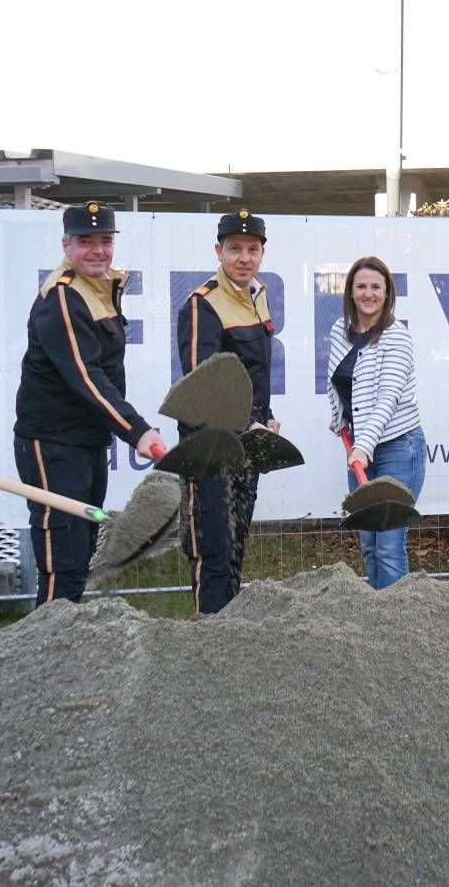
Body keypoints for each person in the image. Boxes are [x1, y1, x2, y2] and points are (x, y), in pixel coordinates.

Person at [14, 201, 166, 606]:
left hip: (86, 441)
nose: (97, 250)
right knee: (60, 560)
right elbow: (86, 378)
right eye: (86, 242)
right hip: (51, 444)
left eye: (104, 241)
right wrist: (137, 431)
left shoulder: (100, 288)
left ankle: (72, 653)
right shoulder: (62, 297)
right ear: (66, 245)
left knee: (80, 553)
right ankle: (46, 655)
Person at [176, 210, 278, 613]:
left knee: (235, 548)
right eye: (234, 248)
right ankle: (207, 643)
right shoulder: (203, 304)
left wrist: (264, 417)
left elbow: (254, 374)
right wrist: (247, 420)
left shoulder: (257, 296)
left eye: (252, 249)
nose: (244, 258)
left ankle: (227, 646)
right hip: (210, 445)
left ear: (262, 254)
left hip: (246, 444)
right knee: (212, 551)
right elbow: (203, 383)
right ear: (218, 251)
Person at [325, 256, 426, 589]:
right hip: (360, 447)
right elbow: (339, 383)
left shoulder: (397, 337)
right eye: (361, 286)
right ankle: (376, 616)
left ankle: (396, 624)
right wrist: (340, 418)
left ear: (387, 293)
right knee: (368, 541)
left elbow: (387, 399)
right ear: (351, 292)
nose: (368, 293)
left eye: (376, 287)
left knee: (388, 544)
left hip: (399, 448)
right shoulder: (340, 331)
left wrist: (363, 447)